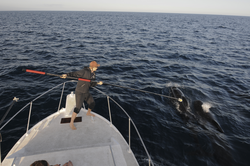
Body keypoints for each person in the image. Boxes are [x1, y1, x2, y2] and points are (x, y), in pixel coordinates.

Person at [61, 61, 103, 130]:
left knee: (92, 103)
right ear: (93, 67)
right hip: (80, 92)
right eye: (96, 67)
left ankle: (88, 113)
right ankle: (71, 122)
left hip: (86, 91)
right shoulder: (84, 71)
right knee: (78, 108)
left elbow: (91, 84)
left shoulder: (93, 74)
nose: (97, 68)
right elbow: (75, 73)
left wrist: (98, 83)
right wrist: (66, 75)